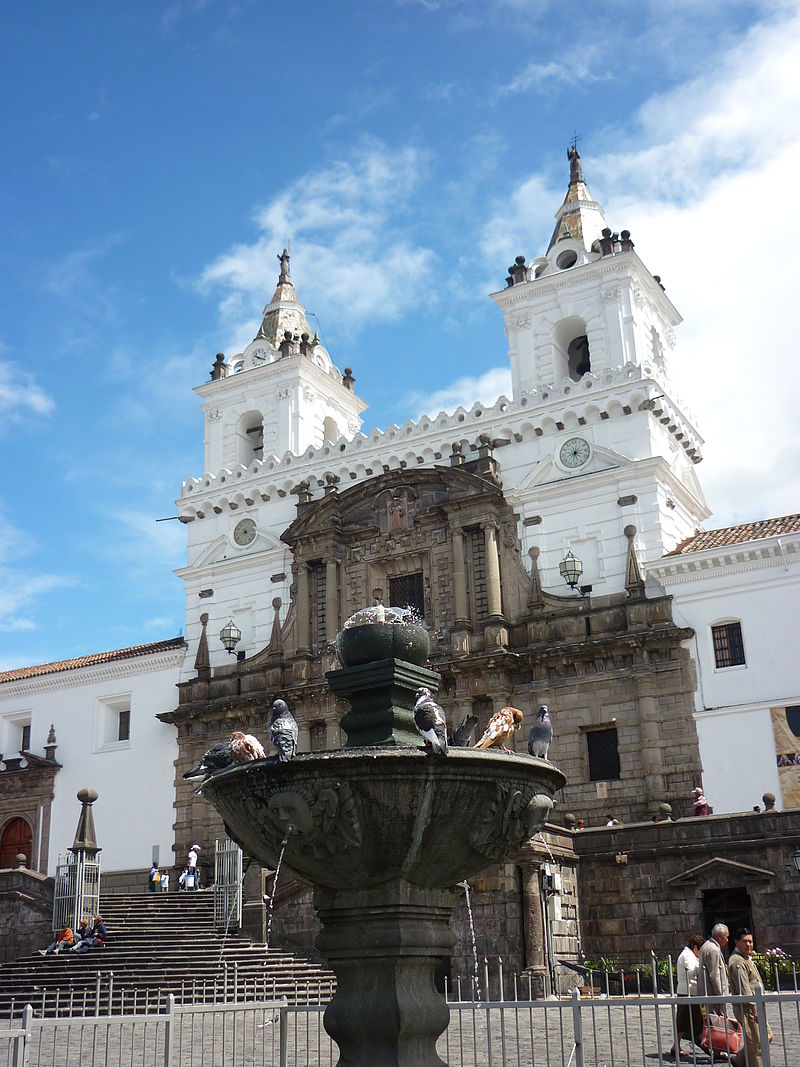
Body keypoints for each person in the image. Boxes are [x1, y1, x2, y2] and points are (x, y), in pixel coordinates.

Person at [728, 928, 772, 1067]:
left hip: (755, 1007)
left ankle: (739, 1059)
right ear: (736, 942)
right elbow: (744, 990)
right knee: (756, 1046)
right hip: (748, 1009)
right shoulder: (738, 961)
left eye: (750, 941)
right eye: (745, 941)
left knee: (766, 1036)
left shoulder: (746, 958)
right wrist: (755, 1010)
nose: (748, 945)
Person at [669, 934, 705, 1059]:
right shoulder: (687, 955)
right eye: (700, 950)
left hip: (690, 991)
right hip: (687, 991)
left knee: (690, 1019)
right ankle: (678, 1045)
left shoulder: (689, 954)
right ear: (695, 947)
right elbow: (689, 971)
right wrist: (701, 968)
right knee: (684, 1018)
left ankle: (678, 1044)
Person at [698, 924, 730, 1017]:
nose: (727, 940)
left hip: (707, 994)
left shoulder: (706, 946)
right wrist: (721, 996)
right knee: (716, 1025)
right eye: (726, 937)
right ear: (720, 937)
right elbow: (715, 975)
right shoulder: (713, 949)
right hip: (712, 996)